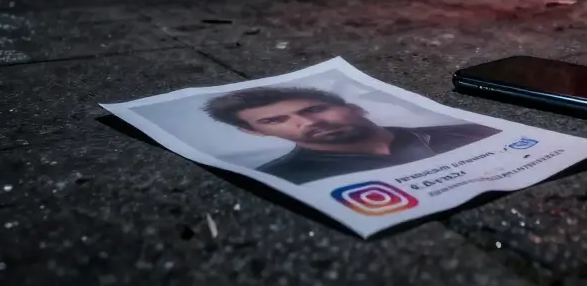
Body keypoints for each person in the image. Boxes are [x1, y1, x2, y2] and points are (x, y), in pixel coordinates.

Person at [203, 86, 501, 184]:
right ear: (254, 132)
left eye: (314, 109)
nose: (306, 123)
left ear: (355, 107)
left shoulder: (472, 131)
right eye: (275, 120)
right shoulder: (287, 179)